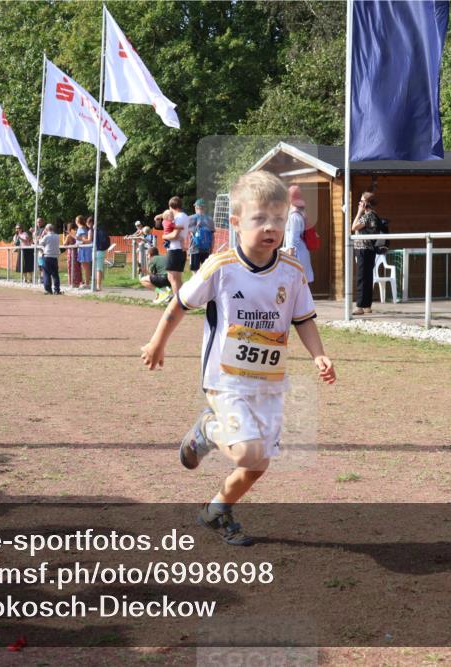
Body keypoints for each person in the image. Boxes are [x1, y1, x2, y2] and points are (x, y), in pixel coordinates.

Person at [140, 171, 336, 546]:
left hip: (269, 383)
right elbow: (181, 303)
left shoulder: (292, 271)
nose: (271, 227)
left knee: (257, 463)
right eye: (259, 218)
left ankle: (217, 510)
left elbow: (304, 319)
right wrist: (156, 343)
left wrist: (319, 356)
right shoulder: (221, 266)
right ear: (235, 222)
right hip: (224, 381)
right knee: (247, 451)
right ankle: (207, 430)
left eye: (278, 220)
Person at [350, 191, 381, 315]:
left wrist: (358, 212)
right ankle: (367, 305)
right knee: (368, 277)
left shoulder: (368, 216)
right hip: (370, 250)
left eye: (361, 201)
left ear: (366, 203)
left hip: (363, 248)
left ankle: (360, 306)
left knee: (362, 278)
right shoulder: (375, 215)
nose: (359, 203)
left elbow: (354, 227)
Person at [282, 185, 315, 284]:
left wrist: (290, 259)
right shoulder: (299, 214)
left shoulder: (294, 216)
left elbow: (293, 238)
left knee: (296, 282)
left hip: (296, 253)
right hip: (299, 251)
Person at [164, 197, 190, 295]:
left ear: (171, 207)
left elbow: (174, 235)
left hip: (175, 249)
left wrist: (164, 236)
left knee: (172, 277)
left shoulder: (178, 217)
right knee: (177, 278)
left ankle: (177, 302)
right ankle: (183, 300)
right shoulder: (184, 216)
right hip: (180, 250)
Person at [188, 198, 214, 271]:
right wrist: (211, 250)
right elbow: (213, 237)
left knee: (195, 271)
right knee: (206, 271)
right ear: (204, 208)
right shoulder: (210, 219)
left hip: (194, 248)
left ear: (196, 208)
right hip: (206, 249)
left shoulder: (191, 218)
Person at [38, 223, 63, 295]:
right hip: (54, 257)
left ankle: (48, 290)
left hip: (47, 256)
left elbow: (40, 244)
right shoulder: (57, 236)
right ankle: (57, 290)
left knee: (46, 273)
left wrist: (41, 237)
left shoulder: (46, 237)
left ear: (46, 229)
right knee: (55, 274)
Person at [77, 216, 93, 289]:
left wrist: (78, 239)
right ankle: (87, 282)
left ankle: (87, 283)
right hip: (84, 249)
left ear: (77, 221)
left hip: (84, 249)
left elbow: (85, 240)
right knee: (85, 267)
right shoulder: (84, 229)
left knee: (85, 267)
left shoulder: (81, 229)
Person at [65, 220, 82, 288]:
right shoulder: (77, 234)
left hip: (71, 253)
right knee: (77, 267)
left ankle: (72, 283)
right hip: (77, 252)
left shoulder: (69, 236)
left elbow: (65, 244)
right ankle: (78, 282)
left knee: (71, 267)